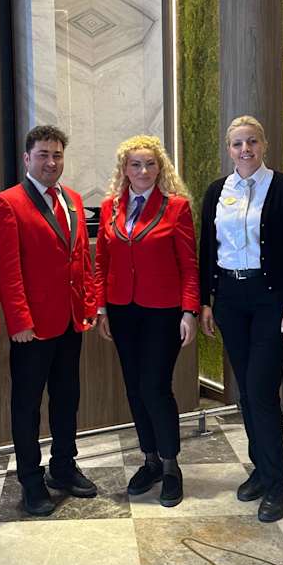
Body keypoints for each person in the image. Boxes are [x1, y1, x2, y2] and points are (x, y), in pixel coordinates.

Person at [199, 116, 283, 522]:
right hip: (230, 300)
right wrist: (205, 301)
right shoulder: (217, 191)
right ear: (228, 149)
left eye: (252, 142)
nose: (245, 150)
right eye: (237, 144)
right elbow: (207, 248)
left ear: (264, 145)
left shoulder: (282, 188)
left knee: (262, 390)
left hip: (271, 300)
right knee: (246, 391)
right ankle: (261, 470)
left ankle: (277, 484)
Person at [0, 125, 97, 516]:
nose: (51, 162)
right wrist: (19, 320)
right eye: (43, 155)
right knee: (27, 405)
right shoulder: (7, 203)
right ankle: (31, 481)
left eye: (57, 155)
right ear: (27, 158)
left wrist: (89, 305)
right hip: (31, 327)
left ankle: (63, 466)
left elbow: (81, 259)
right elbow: (8, 270)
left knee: (67, 398)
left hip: (70, 320)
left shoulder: (73, 199)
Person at [95, 135, 199, 507]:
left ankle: (171, 465)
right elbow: (102, 262)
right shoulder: (109, 208)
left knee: (155, 387)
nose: (143, 171)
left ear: (160, 168)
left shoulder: (176, 208)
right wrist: (101, 309)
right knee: (135, 388)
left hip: (163, 311)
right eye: (135, 164)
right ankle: (150, 459)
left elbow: (189, 266)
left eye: (150, 164)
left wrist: (189, 311)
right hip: (122, 310)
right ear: (125, 169)